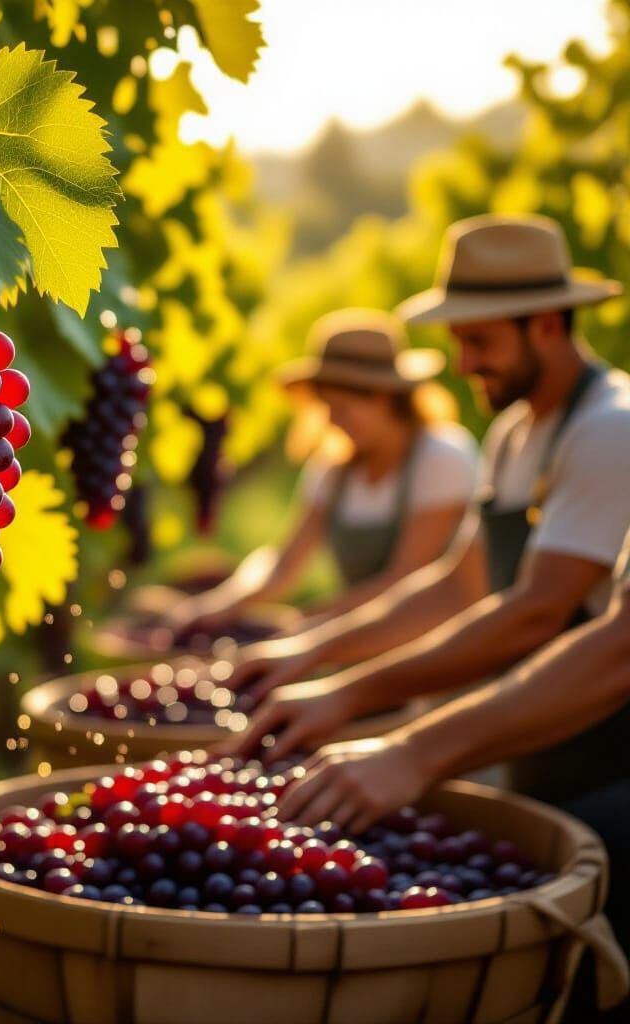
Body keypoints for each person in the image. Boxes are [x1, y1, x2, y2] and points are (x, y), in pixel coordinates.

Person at [226, 214, 630, 814]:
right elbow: (456, 586)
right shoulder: (514, 434)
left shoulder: (609, 428)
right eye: (457, 342)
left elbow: (535, 614)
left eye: (479, 342)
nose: (462, 364)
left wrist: (374, 715)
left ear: (547, 325)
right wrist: (320, 659)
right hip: (537, 748)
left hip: (610, 768)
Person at [275, 531, 630, 1019]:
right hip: (551, 770)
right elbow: (461, 584)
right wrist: (321, 660)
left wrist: (410, 752)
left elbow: (594, 634)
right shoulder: (529, 472)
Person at [170, 309, 478, 637]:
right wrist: (225, 602)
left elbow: (405, 581)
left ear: (384, 397)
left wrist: (308, 623)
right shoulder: (335, 470)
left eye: (342, 408)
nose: (333, 421)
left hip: (441, 642)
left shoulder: (441, 458)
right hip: (358, 637)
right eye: (327, 407)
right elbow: (284, 562)